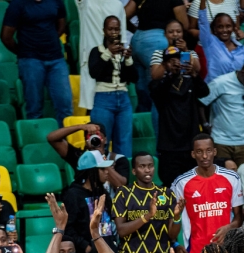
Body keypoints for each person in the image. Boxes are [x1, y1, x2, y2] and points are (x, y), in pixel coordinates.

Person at [172, 134, 244, 253]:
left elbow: (239, 218)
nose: (204, 156)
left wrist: (228, 227)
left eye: (208, 150)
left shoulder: (232, 178)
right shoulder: (181, 183)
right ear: (193, 154)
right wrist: (176, 245)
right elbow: (174, 218)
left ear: (215, 152)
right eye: (199, 151)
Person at [1, 0, 71, 124]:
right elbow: (6, 36)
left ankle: (65, 141)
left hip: (56, 59)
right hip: (30, 60)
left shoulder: (56, 1)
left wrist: (50, 41)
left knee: (65, 105)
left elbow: (61, 25)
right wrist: (23, 52)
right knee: (34, 109)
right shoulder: (17, 4)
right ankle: (36, 141)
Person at [87, 17, 136, 160]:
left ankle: (122, 179)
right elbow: (94, 72)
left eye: (116, 29)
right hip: (104, 98)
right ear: (104, 31)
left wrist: (128, 59)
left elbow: (133, 78)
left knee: (124, 143)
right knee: (101, 142)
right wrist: (108, 53)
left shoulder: (123, 52)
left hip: (123, 97)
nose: (114, 32)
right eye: (110, 29)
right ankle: (102, 179)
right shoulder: (96, 51)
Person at [200, 60, 244, 169]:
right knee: (222, 178)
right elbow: (201, 103)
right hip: (221, 140)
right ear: (243, 72)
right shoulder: (221, 83)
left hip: (243, 141)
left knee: (242, 179)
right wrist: (205, 124)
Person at [132, 4, 187, 121]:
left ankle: (145, 130)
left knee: (142, 90)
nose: (175, 34)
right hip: (156, 39)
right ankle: (157, 131)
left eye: (178, 32)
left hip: (136, 38)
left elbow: (124, 13)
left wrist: (134, 30)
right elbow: (185, 24)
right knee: (157, 91)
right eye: (172, 32)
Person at [47, 122, 131, 189]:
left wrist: (101, 158)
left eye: (97, 136)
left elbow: (121, 187)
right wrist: (80, 127)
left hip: (110, 205)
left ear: (105, 140)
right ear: (86, 141)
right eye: (90, 136)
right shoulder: (81, 158)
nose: (94, 139)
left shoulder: (118, 159)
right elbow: (52, 138)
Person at [195, 0, 244, 83]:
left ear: (233, 28)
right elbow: (202, 21)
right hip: (214, 92)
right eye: (220, 27)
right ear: (215, 30)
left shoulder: (243, 50)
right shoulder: (210, 43)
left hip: (235, 92)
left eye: (228, 26)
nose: (224, 30)